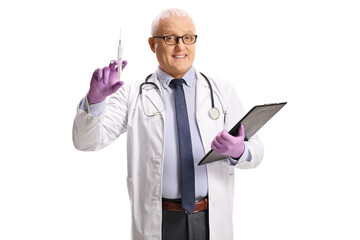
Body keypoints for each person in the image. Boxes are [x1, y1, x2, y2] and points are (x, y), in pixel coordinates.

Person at [73, 8, 264, 240]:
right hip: (160, 221)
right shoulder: (132, 94)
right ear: (153, 44)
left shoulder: (221, 91)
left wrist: (239, 150)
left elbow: (256, 149)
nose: (181, 47)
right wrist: (95, 100)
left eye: (188, 38)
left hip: (210, 219)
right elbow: (86, 142)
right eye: (171, 38)